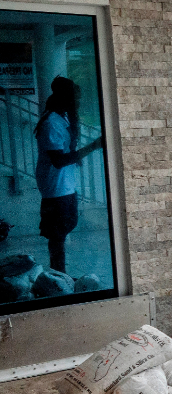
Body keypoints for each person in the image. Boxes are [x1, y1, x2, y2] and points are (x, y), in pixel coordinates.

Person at [34, 77, 101, 273]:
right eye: (76, 98)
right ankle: (58, 275)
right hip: (55, 187)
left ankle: (59, 274)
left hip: (64, 185)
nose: (79, 102)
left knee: (65, 227)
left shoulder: (61, 117)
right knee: (57, 235)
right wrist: (93, 146)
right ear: (66, 98)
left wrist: (76, 155)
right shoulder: (51, 123)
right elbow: (58, 160)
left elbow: (64, 154)